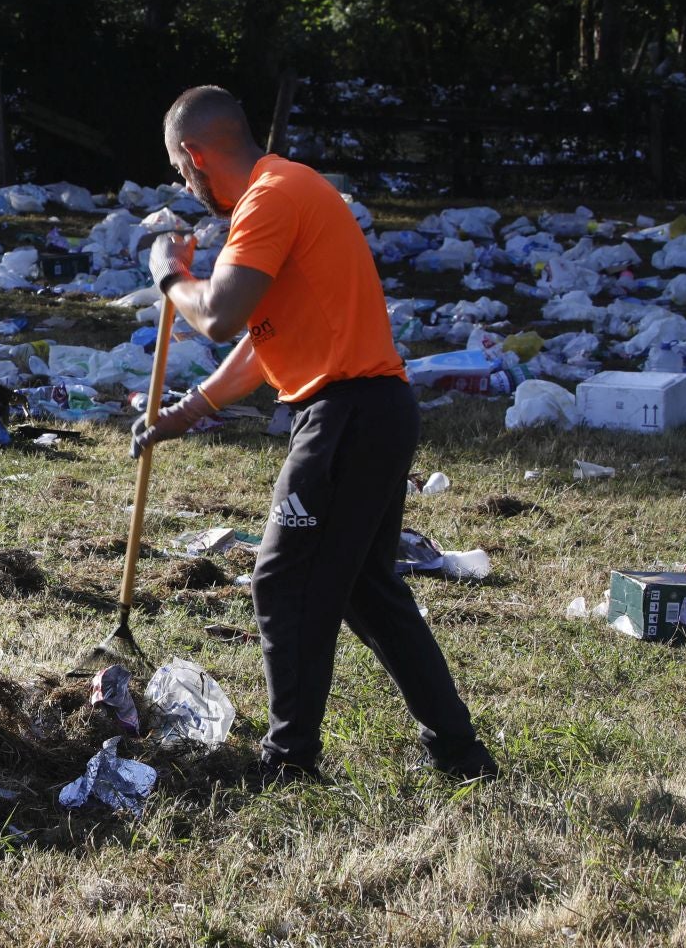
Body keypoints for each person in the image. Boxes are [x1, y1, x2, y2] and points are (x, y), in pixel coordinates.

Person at [132, 85, 497, 784]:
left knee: (283, 580)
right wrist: (185, 414)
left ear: (196, 154)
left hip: (348, 413)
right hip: (373, 411)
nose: (186, 184)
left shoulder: (270, 198)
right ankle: (459, 752)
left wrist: (172, 275)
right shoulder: (283, 194)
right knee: (367, 588)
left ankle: (289, 761)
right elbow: (261, 342)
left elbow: (220, 317)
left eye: (182, 172)